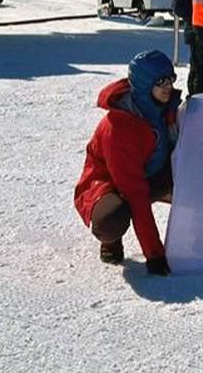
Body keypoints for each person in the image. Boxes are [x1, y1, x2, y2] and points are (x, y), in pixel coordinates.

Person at [73, 50, 181, 276]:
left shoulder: (166, 106)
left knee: (194, 176)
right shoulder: (118, 129)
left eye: (171, 78)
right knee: (112, 218)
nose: (168, 86)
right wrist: (154, 255)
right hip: (108, 186)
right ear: (144, 85)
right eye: (160, 81)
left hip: (149, 174)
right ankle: (110, 241)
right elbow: (135, 192)